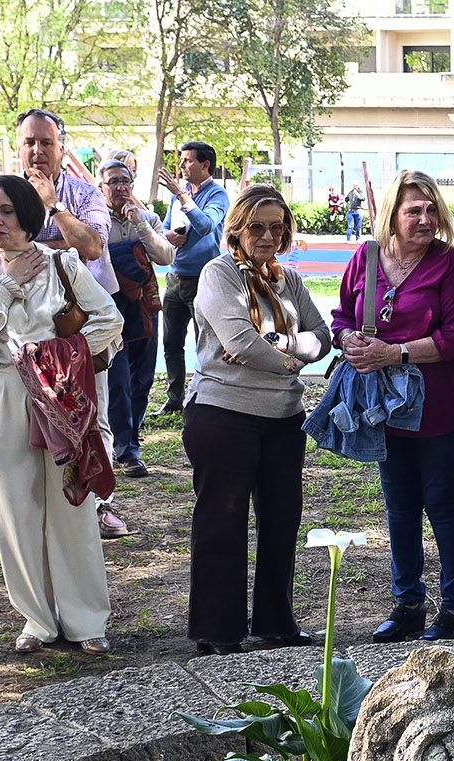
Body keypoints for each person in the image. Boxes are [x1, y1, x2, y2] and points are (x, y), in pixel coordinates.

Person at [0, 173, 120, 655]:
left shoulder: (62, 261)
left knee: (72, 501)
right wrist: (8, 286)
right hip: (1, 389)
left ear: (27, 214)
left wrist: (60, 358)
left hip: (61, 391)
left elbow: (110, 318)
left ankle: (87, 620)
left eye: (6, 210)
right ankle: (37, 619)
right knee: (15, 508)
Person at [184, 184, 330, 654]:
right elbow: (240, 341)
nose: (268, 235)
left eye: (276, 226)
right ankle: (218, 630)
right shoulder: (218, 275)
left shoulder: (288, 281)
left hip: (284, 417)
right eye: (257, 227)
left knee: (282, 520)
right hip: (223, 414)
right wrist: (291, 353)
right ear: (238, 229)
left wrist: (281, 348)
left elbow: (322, 337)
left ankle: (275, 623)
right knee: (222, 522)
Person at [332, 169, 454, 643]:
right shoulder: (366, 257)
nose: (425, 218)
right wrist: (348, 337)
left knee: (442, 503)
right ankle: (409, 603)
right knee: (399, 505)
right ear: (391, 215)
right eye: (414, 210)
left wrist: (395, 352)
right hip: (385, 408)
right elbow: (342, 316)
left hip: (440, 406)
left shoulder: (448, 263)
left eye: (432, 209)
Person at [0, 109, 123, 542]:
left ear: (62, 147)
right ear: (18, 146)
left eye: (46, 143)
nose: (37, 151)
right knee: (16, 429)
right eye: (29, 143)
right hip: (18, 335)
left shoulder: (82, 193)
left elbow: (92, 246)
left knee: (95, 412)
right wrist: (52, 238)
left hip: (80, 326)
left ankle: (98, 502)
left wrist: (52, 209)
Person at [99, 157, 175, 477]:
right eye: (113, 181)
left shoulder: (148, 218)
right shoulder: (95, 221)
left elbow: (166, 255)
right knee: (118, 382)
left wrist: (141, 225)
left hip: (144, 307)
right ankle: (125, 449)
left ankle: (131, 439)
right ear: (101, 187)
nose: (120, 187)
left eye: (125, 181)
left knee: (142, 379)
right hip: (109, 309)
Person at [156, 140, 228, 414]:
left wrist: (182, 196)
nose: (183, 166)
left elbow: (206, 224)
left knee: (205, 343)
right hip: (175, 279)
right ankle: (174, 399)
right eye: (182, 161)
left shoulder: (217, 195)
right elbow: (163, 229)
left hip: (203, 280)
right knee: (171, 343)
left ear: (205, 165)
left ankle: (202, 398)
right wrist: (169, 236)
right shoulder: (179, 194)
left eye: (188, 161)